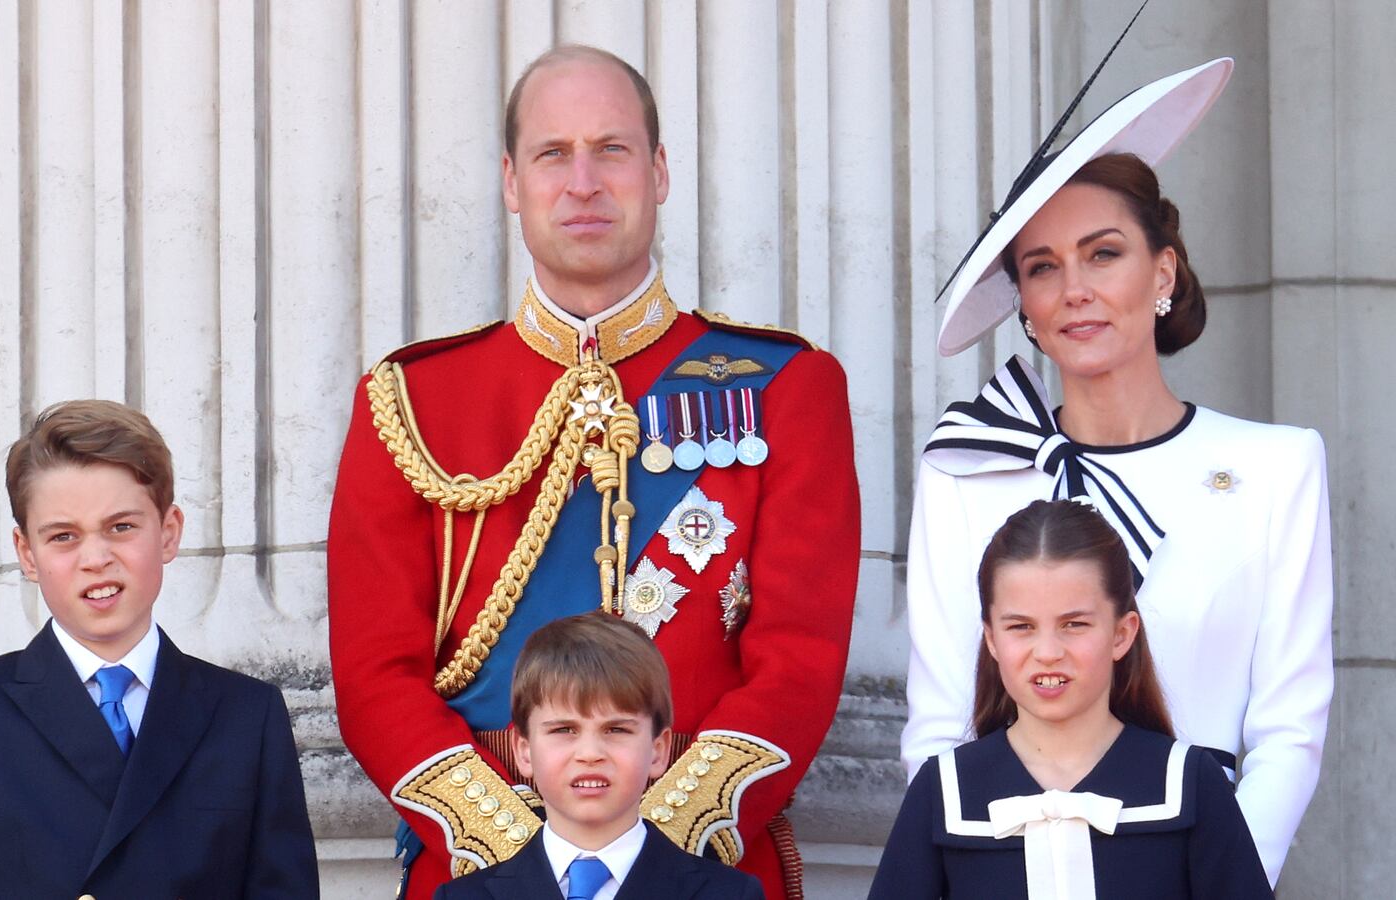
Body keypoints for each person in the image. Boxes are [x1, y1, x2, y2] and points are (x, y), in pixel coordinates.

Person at [328, 44, 860, 899]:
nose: (582, 182)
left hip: (700, 872)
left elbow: (797, 660)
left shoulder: (786, 387)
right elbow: (372, 673)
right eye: (552, 153)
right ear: (511, 182)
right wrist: (518, 861)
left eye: (610, 149)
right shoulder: (412, 401)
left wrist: (649, 856)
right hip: (482, 873)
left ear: (658, 172)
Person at [901, 57, 1332, 886]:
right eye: (1043, 267)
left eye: (1104, 254)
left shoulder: (1277, 468)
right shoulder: (967, 471)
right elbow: (940, 730)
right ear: (1023, 303)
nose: (1075, 291)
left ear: (1162, 271)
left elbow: (1290, 730)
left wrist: (1213, 875)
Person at [0, 400, 318, 899]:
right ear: (27, 554)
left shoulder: (247, 715)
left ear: (169, 532)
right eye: (63, 536)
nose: (96, 558)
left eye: (121, 527)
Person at [872, 501, 1272, 899]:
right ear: (992, 639)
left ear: (1122, 633)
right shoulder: (944, 790)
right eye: (1021, 627)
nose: (1048, 651)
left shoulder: (1190, 782)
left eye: (1074, 624)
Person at [435, 612, 764, 899]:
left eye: (616, 730)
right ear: (524, 751)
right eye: (564, 730)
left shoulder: (731, 894)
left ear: (657, 750)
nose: (590, 754)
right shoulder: (463, 896)